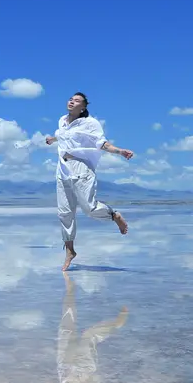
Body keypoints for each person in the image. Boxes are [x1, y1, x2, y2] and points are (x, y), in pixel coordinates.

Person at [45, 92, 134, 271]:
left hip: (81, 169)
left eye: (77, 101)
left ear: (83, 107)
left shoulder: (90, 123)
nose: (72, 101)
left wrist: (119, 151)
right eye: (71, 98)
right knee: (64, 213)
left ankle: (113, 215)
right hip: (62, 170)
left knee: (89, 208)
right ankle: (70, 251)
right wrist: (52, 139)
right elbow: (64, 136)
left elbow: (102, 143)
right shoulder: (62, 121)